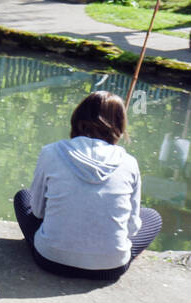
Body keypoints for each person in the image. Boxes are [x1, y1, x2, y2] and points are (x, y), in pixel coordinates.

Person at [13, 91, 162, 281]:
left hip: (51, 260)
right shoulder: (129, 162)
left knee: (23, 196)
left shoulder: (51, 152)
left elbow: (38, 211)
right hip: (110, 268)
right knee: (152, 216)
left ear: (77, 118)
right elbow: (132, 228)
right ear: (119, 126)